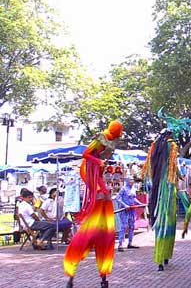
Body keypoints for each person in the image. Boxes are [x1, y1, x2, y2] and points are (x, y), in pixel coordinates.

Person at [63, 120, 123, 288]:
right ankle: (95, 212)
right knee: (100, 193)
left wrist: (103, 168)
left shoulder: (112, 141)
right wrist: (98, 163)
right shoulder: (101, 138)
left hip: (98, 172)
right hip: (88, 169)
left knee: (105, 193)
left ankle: (103, 275)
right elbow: (86, 155)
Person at [142, 129, 181, 271]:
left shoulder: (154, 146)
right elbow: (173, 166)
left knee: (160, 222)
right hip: (168, 189)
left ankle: (160, 258)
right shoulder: (172, 146)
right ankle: (163, 257)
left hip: (157, 188)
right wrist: (179, 176)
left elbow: (148, 168)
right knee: (168, 221)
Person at [116, 176, 143, 252]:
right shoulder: (123, 189)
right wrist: (125, 205)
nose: (132, 181)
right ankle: (120, 244)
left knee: (132, 226)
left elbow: (133, 198)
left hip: (132, 210)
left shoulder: (133, 189)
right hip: (125, 210)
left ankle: (130, 243)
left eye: (132, 180)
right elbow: (117, 198)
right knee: (123, 227)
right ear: (127, 181)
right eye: (130, 180)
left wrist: (140, 203)